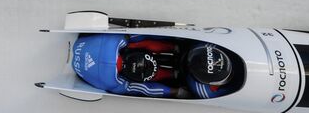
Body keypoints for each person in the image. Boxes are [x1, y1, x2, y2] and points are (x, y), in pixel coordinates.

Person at [72, 33, 233, 99]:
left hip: (91, 52)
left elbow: (142, 88)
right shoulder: (200, 89)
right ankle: (172, 69)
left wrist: (174, 91)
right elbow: (142, 88)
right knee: (141, 45)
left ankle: (172, 61)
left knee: (140, 48)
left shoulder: (113, 81)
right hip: (95, 48)